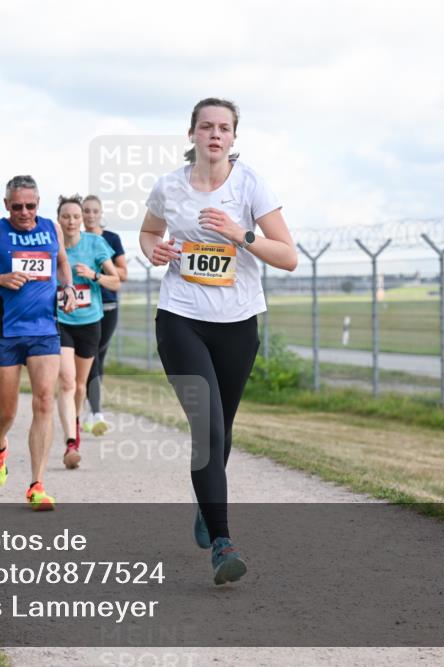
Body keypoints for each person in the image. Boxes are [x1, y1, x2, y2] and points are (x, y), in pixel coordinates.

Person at [139, 97, 297, 585]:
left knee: (222, 431)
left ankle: (207, 505)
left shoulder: (250, 185)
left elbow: (288, 256)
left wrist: (240, 234)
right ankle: (223, 543)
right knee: (207, 428)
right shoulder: (169, 186)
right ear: (191, 134)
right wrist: (154, 251)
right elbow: (148, 233)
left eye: (223, 128)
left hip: (238, 322)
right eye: (206, 126)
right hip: (180, 317)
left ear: (233, 137)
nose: (214, 134)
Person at [0, 174, 77, 511]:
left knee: (44, 402)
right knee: (8, 411)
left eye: (30, 206)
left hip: (45, 330)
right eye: (17, 207)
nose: (24, 213)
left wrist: (68, 288)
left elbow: (62, 262)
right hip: (6, 333)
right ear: (6, 205)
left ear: (38, 203)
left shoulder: (51, 229)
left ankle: (37, 486)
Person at [54, 195, 120, 469]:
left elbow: (116, 281)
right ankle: (71, 442)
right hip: (60, 320)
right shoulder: (51, 245)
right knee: (67, 381)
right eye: (66, 216)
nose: (71, 221)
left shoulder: (95, 243)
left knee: (80, 385)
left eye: (76, 216)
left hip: (90, 321)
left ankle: (76, 422)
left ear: (82, 219)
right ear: (58, 219)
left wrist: (94, 275)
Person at [81, 194, 128, 436]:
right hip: (84, 306)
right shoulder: (76, 240)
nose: (90, 215)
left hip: (108, 305)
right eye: (86, 211)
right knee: (91, 356)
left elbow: (123, 274)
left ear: (101, 214)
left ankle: (92, 408)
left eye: (94, 211)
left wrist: (98, 269)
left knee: (97, 355)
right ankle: (94, 411)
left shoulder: (111, 239)